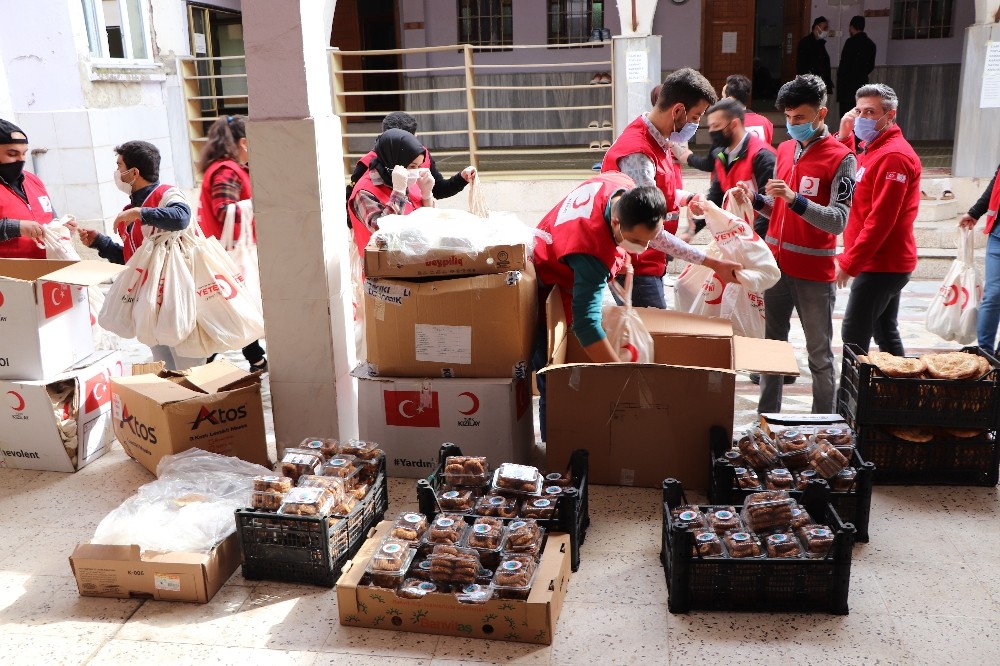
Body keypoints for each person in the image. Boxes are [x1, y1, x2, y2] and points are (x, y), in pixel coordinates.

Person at [531, 174, 741, 440]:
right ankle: (555, 453)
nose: (642, 249)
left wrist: (714, 263)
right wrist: (622, 378)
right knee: (553, 375)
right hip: (547, 278)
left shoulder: (621, 188)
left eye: (646, 240)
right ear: (616, 222)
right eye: (637, 242)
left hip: (564, 250)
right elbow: (587, 324)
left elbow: (659, 237)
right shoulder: (592, 251)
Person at [734, 74, 856, 413]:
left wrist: (795, 199)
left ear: (821, 114)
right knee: (771, 351)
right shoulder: (785, 150)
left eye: (799, 117)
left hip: (814, 274)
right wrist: (756, 199)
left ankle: (823, 428)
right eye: (787, 117)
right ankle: (766, 422)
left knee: (818, 355)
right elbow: (781, 208)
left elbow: (837, 220)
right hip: (775, 268)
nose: (792, 124)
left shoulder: (842, 158)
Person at [75, 140, 202, 371]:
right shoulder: (128, 214)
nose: (116, 173)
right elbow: (131, 261)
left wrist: (140, 212)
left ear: (133, 172)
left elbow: (181, 216)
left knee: (191, 371)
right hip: (149, 305)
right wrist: (99, 242)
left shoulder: (166, 195)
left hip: (177, 298)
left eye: (119, 166)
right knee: (167, 370)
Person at [601, 68, 719, 308]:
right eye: (696, 117)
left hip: (649, 261)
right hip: (637, 264)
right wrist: (709, 261)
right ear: (678, 110)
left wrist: (688, 198)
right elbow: (648, 228)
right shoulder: (638, 153)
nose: (696, 124)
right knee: (651, 338)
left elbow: (656, 193)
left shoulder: (658, 140)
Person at [835, 84, 920, 356]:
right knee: (885, 331)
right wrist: (846, 136)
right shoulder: (872, 149)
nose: (862, 118)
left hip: (883, 264)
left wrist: (849, 262)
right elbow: (846, 172)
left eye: (870, 112)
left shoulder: (893, 156)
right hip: (879, 261)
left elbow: (881, 220)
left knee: (854, 333)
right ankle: (900, 394)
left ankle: (849, 397)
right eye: (859, 111)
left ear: (890, 115)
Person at [196, 114, 268, 373]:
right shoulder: (227, 170)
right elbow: (223, 210)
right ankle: (199, 366)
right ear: (242, 142)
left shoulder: (224, 169)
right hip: (228, 256)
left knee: (234, 310)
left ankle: (256, 359)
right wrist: (260, 205)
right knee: (229, 310)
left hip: (226, 254)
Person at [675, 98, 776, 238]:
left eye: (716, 126)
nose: (711, 131)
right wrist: (692, 231)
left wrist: (752, 242)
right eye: (710, 126)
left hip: (759, 243)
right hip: (736, 236)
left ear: (734, 124)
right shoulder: (721, 154)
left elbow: (771, 208)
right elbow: (716, 197)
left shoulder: (762, 157)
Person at [347, 112, 474, 200]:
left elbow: (438, 190)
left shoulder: (422, 157)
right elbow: (351, 199)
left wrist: (461, 178)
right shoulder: (368, 164)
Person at [347, 128, 435, 254]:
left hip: (416, 261)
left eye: (419, 166)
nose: (415, 171)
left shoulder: (408, 182)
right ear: (393, 162)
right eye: (412, 166)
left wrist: (427, 195)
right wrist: (398, 193)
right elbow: (382, 233)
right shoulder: (364, 192)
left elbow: (428, 223)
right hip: (384, 269)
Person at [959, 162, 1000, 353]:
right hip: (998, 236)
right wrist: (975, 212)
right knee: (993, 294)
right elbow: (996, 183)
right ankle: (985, 354)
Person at [0, 119, 52, 258]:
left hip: (45, 269)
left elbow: (51, 216)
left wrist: (61, 227)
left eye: (24, 154)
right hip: (8, 276)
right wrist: (16, 227)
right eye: (12, 154)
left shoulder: (33, 180)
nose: (21, 160)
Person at [836, 16, 877, 118]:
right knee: (859, 116)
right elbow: (870, 66)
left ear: (851, 27)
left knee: (846, 117)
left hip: (847, 87)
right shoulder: (871, 44)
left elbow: (844, 64)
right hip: (861, 85)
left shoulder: (850, 43)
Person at [796, 17, 833, 94]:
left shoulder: (820, 44)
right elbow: (802, 66)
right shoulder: (805, 43)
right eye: (824, 28)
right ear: (817, 27)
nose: (826, 31)